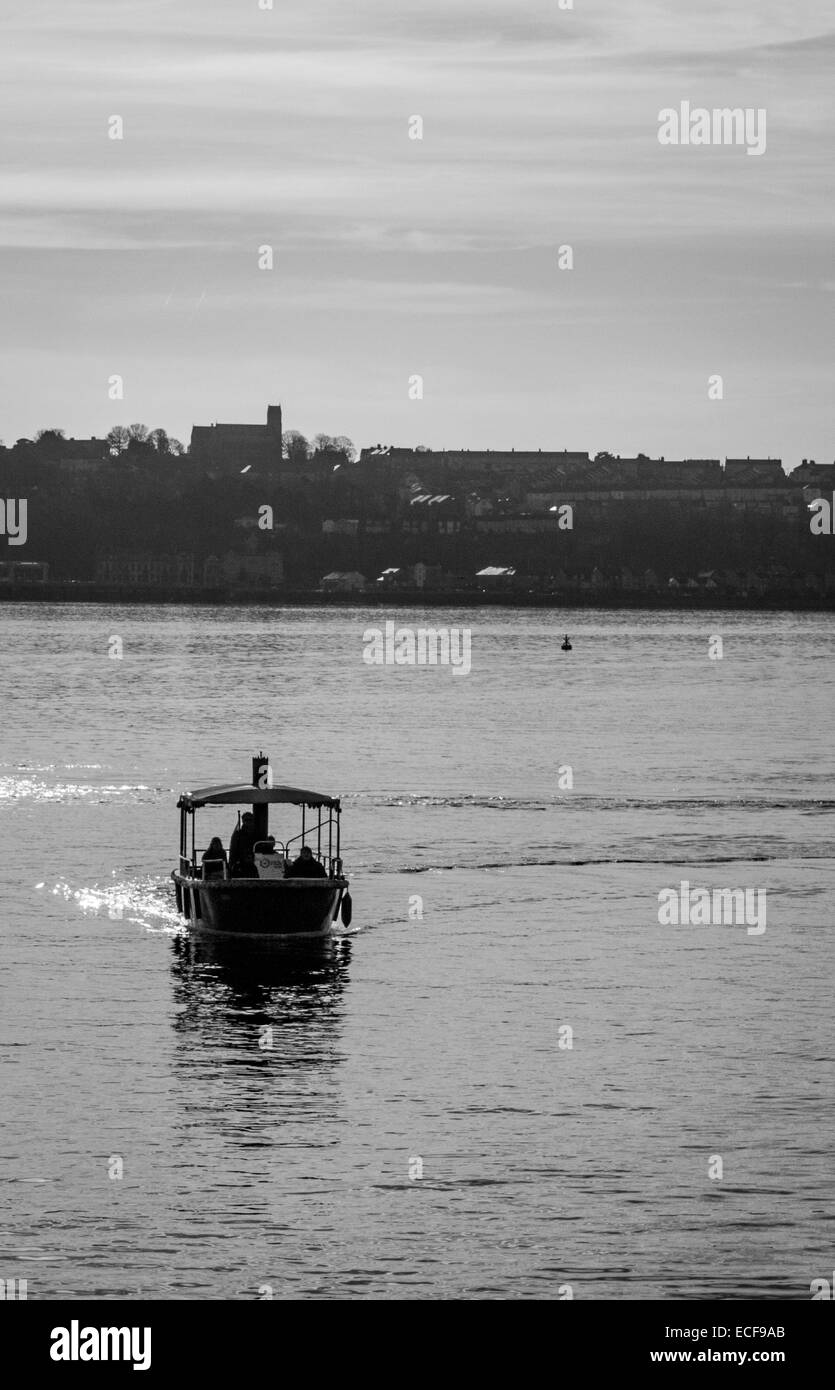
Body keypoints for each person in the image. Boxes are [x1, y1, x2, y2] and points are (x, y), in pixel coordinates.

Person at [229, 811, 258, 877]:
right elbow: (233, 849)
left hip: (254, 860)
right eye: (246, 820)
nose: (248, 822)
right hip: (241, 861)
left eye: (250, 820)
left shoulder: (256, 834)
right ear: (243, 821)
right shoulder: (238, 834)